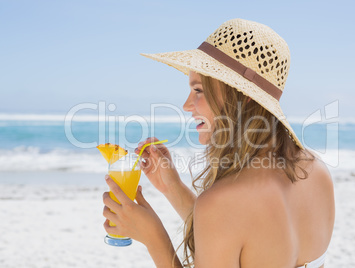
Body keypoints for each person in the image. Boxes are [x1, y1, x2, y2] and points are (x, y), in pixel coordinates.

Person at [102, 18, 335, 268]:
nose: (186, 105)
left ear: (243, 98)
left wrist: (153, 237)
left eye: (199, 91)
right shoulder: (318, 173)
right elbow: (234, 232)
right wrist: (173, 188)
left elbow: (226, 219)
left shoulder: (222, 203)